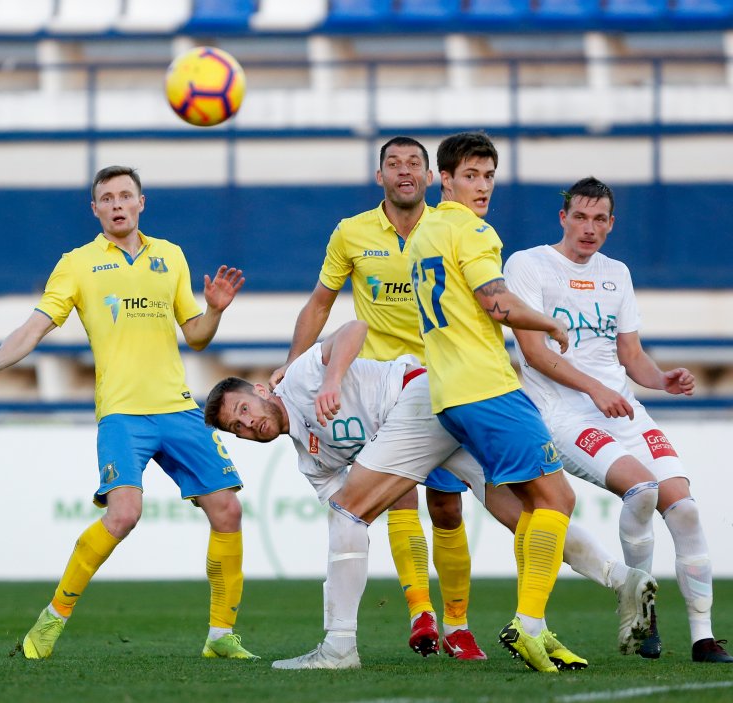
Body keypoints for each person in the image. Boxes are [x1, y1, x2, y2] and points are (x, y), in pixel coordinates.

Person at [206, 321, 654, 670]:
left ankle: (339, 644)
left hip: (420, 397)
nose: (247, 424)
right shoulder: (311, 460)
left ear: (261, 389)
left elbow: (355, 329)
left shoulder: (300, 378)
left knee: (347, 514)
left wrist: (331, 379)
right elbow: (355, 517)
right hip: (436, 418)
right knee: (522, 516)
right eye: (236, 428)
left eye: (244, 409)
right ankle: (624, 580)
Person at [0, 165, 259, 662]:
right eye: (107, 198)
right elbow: (36, 326)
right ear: (94, 209)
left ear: (142, 203)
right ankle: (51, 621)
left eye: (125, 195)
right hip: (122, 414)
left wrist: (216, 310)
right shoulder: (77, 264)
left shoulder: (171, 256)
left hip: (179, 409)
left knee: (227, 509)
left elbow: (196, 335)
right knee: (124, 514)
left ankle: (221, 636)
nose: (117, 204)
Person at [503, 176, 733, 664]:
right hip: (561, 411)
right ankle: (641, 620)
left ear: (612, 223)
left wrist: (661, 379)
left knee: (685, 509)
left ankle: (703, 636)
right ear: (562, 218)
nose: (589, 228)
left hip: (621, 407)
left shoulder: (617, 273)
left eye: (599, 219)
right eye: (580, 217)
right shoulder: (528, 265)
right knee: (643, 489)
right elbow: (532, 352)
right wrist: (595, 389)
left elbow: (630, 354)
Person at [269, 136, 479, 659]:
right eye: (393, 163)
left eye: (414, 164)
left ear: (430, 177)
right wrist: (293, 367)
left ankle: (458, 624)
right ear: (379, 175)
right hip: (381, 394)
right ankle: (421, 614)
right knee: (397, 497)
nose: (404, 171)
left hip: (445, 379)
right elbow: (321, 305)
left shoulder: (452, 228)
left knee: (448, 507)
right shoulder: (352, 233)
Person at [407, 131, 578, 673]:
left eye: (488, 176)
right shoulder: (474, 231)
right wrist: (548, 319)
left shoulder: (422, 232)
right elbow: (494, 301)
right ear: (445, 179)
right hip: (487, 389)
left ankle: (537, 625)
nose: (482, 187)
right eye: (471, 176)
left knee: (532, 504)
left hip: (448, 392)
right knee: (558, 500)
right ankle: (527, 624)